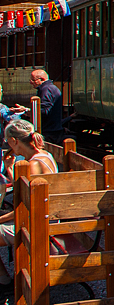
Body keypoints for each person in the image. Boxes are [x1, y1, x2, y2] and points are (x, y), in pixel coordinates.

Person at [0, 120, 63, 286]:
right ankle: (5, 280)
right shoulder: (44, 155)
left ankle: (4, 282)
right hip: (45, 218)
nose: (9, 146)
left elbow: (25, 209)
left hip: (38, 225)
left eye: (8, 142)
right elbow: (25, 194)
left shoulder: (34, 165)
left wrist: (0, 219)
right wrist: (9, 168)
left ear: (15, 141)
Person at [28, 68, 64, 138]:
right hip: (53, 129)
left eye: (33, 80)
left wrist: (28, 110)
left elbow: (45, 111)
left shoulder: (46, 90)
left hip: (49, 130)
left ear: (42, 79)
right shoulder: (50, 88)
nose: (31, 83)